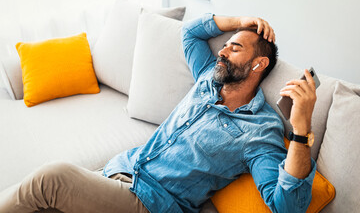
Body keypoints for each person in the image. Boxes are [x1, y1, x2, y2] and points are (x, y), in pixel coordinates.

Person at [0, 13, 317, 213]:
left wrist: (300, 129)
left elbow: (286, 205)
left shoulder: (260, 129)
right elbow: (191, 33)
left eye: (235, 48)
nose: (222, 50)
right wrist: (240, 23)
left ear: (258, 65)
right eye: (227, 45)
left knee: (50, 179)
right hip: (119, 171)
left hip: (149, 201)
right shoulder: (208, 77)